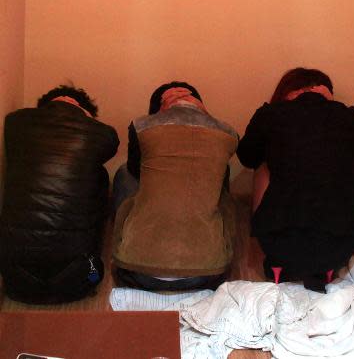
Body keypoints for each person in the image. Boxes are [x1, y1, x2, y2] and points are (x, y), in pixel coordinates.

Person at [237, 68, 354, 292]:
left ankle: (277, 266)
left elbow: (247, 156)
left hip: (278, 240)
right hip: (339, 243)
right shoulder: (350, 117)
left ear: (288, 92)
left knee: (264, 163)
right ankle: (324, 269)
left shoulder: (271, 114)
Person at [112, 82, 238, 290]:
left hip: (137, 272)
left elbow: (136, 169)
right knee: (219, 178)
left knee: (126, 173)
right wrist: (205, 116)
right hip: (207, 274)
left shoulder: (142, 126)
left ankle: (125, 245)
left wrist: (160, 118)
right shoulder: (228, 134)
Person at [0, 85, 118, 303]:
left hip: (13, 280)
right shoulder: (100, 132)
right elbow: (112, 143)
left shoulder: (15, 122)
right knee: (99, 176)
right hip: (82, 281)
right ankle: (92, 269)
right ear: (86, 111)